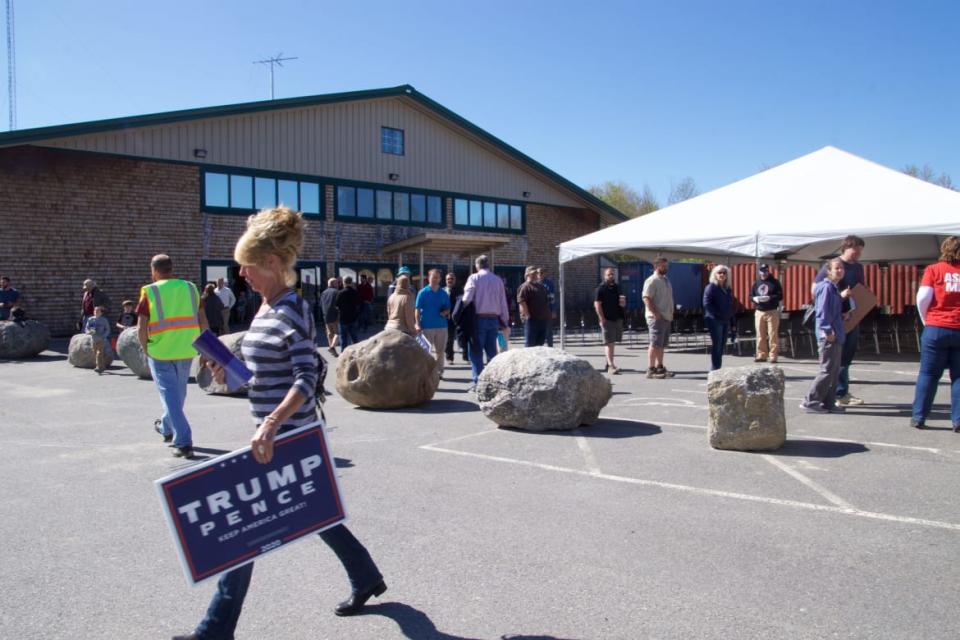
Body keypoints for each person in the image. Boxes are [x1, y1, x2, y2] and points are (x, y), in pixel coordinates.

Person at [174, 206, 386, 640]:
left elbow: (307, 379)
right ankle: (366, 577)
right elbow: (257, 378)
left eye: (247, 268)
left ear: (271, 263)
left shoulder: (292, 310)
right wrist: (225, 372)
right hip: (272, 432)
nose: (241, 277)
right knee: (318, 515)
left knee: (243, 529)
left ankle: (215, 629)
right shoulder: (264, 309)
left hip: (288, 436)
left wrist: (271, 423)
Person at [137, 254, 207, 458]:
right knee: (178, 395)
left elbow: (141, 326)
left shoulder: (150, 291)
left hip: (160, 352)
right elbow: (203, 320)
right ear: (171, 269)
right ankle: (167, 428)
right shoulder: (190, 288)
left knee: (170, 396)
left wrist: (145, 348)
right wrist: (206, 349)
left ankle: (183, 441)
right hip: (187, 349)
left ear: (154, 270)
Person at [911, 236, 960, 431]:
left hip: (936, 327)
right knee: (958, 377)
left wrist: (927, 321)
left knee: (928, 374)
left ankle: (919, 416)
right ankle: (958, 420)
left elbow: (922, 298)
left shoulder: (933, 270)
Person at [814, 235, 866, 406]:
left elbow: (859, 289)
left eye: (860, 251)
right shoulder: (832, 265)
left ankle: (839, 393)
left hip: (851, 317)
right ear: (846, 248)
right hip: (834, 320)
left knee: (846, 358)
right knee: (832, 360)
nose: (858, 254)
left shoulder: (858, 267)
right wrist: (839, 299)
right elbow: (816, 291)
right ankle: (829, 395)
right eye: (855, 250)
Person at [800, 258, 847, 414]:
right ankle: (810, 401)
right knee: (826, 370)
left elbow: (832, 310)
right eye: (837, 268)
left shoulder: (833, 288)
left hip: (836, 334)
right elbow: (822, 313)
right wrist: (827, 331)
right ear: (828, 271)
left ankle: (829, 403)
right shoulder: (826, 287)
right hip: (828, 335)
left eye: (841, 268)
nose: (840, 271)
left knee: (833, 372)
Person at [462, 255, 509, 387]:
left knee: (476, 352)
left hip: (478, 319)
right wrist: (504, 321)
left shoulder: (474, 278)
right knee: (492, 353)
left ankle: (478, 383)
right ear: (488, 265)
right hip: (494, 320)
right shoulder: (498, 280)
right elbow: (503, 302)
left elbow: (467, 298)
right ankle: (493, 382)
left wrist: (460, 308)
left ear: (477, 266)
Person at [642, 257, 675, 379]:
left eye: (667, 266)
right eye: (663, 266)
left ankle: (660, 367)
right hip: (656, 318)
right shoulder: (652, 280)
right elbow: (646, 298)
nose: (666, 268)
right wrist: (656, 313)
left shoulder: (665, 280)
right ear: (656, 266)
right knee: (654, 343)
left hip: (666, 316)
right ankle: (650, 369)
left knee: (661, 344)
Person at [415, 269, 451, 374]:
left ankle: (439, 372)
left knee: (440, 352)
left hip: (441, 326)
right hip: (426, 326)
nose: (435, 279)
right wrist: (417, 324)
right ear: (428, 278)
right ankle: (426, 373)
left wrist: (445, 312)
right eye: (433, 277)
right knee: (426, 352)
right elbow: (417, 309)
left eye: (437, 277)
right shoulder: (422, 293)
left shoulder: (444, 293)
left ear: (440, 279)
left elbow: (448, 309)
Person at [703, 265, 734, 371]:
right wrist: (716, 315)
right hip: (715, 320)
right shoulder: (711, 287)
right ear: (715, 274)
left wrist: (732, 320)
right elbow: (707, 304)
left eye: (724, 273)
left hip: (725, 319)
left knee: (722, 344)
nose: (722, 275)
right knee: (717, 344)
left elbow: (730, 305)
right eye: (719, 272)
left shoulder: (727, 289)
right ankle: (715, 369)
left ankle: (718, 367)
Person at [595, 268, 626, 374]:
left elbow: (622, 300)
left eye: (612, 274)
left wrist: (623, 305)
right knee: (609, 343)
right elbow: (597, 304)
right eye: (609, 275)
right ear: (604, 276)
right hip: (607, 319)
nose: (611, 276)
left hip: (617, 318)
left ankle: (608, 364)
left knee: (612, 342)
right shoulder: (601, 288)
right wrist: (602, 318)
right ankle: (611, 366)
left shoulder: (617, 287)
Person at [751, 264, 784, 363]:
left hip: (772, 311)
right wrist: (754, 298)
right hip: (759, 311)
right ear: (759, 272)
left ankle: (773, 356)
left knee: (772, 334)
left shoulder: (775, 282)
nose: (764, 273)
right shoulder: (756, 283)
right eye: (762, 271)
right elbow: (750, 295)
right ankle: (761, 355)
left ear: (768, 271)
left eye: (765, 271)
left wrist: (770, 297)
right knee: (760, 334)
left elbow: (780, 296)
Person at [518, 266, 552, 347]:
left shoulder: (541, 287)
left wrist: (548, 314)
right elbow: (521, 302)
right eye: (533, 274)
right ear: (527, 275)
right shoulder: (525, 287)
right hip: (532, 320)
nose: (535, 275)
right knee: (530, 345)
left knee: (540, 345)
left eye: (536, 273)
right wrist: (527, 316)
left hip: (543, 319)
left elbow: (547, 300)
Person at [335, 276, 363, 349]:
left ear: (344, 282)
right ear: (351, 282)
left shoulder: (340, 293)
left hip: (343, 318)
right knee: (354, 337)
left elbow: (336, 305)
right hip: (353, 317)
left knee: (343, 337)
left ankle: (343, 354)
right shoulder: (355, 292)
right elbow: (358, 304)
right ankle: (356, 352)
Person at [443, 272, 465, 363]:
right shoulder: (442, 291)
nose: (450, 281)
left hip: (457, 317)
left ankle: (465, 355)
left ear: (454, 280)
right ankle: (449, 357)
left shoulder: (459, 290)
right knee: (449, 338)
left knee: (461, 338)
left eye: (451, 279)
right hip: (445, 318)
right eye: (448, 279)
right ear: (445, 280)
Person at [84, 305, 111, 374]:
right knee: (95, 353)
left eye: (98, 311)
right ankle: (102, 366)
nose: (96, 312)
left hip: (101, 339)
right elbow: (86, 328)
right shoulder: (90, 319)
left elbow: (107, 329)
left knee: (99, 353)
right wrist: (88, 332)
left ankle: (98, 367)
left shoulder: (104, 320)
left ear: (101, 313)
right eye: (95, 310)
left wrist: (104, 336)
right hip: (93, 338)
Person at [319, 277, 341, 356]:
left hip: (326, 315)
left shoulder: (323, 293)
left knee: (329, 333)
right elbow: (339, 304)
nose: (338, 284)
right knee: (337, 333)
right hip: (334, 315)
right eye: (337, 283)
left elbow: (321, 304)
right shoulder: (336, 292)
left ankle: (332, 349)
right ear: (333, 284)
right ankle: (332, 347)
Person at [538, 267, 557, 347]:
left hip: (548, 310)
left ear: (545, 274)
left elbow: (552, 297)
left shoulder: (549, 283)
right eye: (539, 273)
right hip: (537, 311)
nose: (540, 274)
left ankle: (550, 347)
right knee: (539, 330)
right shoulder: (535, 283)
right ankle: (540, 346)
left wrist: (553, 310)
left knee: (549, 330)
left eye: (542, 273)